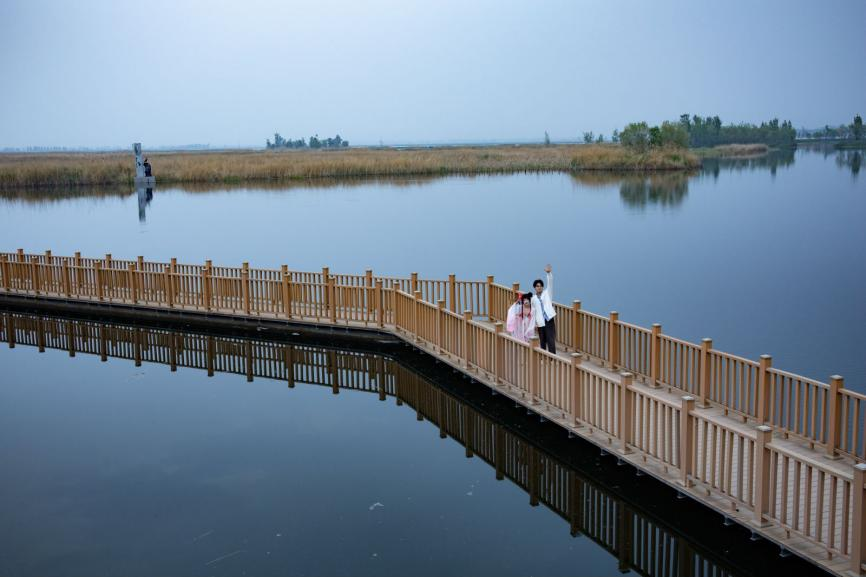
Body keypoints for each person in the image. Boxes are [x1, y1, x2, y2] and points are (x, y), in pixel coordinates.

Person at [531, 264, 556, 353]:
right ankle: (543, 355)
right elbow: (533, 312)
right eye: (537, 286)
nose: (539, 287)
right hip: (540, 321)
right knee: (542, 339)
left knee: (551, 339)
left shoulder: (547, 293)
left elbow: (550, 283)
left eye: (541, 286)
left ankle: (552, 358)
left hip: (549, 319)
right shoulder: (533, 299)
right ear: (534, 287)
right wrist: (534, 324)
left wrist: (549, 274)